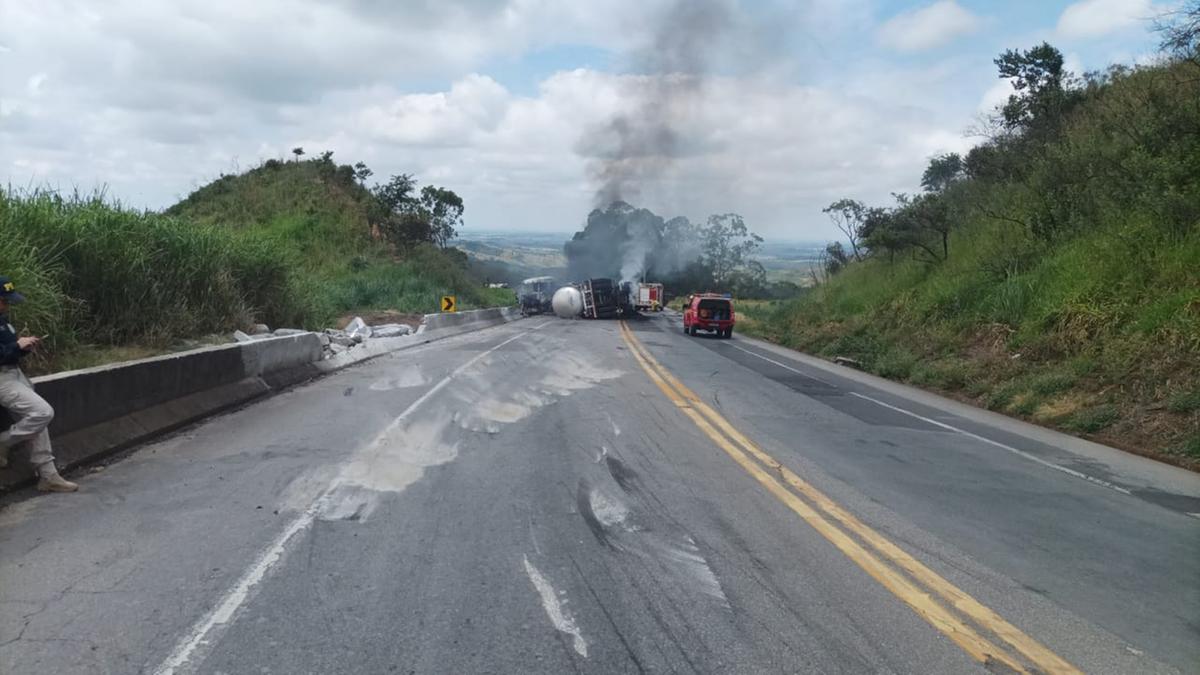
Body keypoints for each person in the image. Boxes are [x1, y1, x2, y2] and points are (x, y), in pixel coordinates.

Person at [0, 276, 78, 492]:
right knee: (42, 413)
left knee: (37, 419)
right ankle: (3, 442)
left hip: (14, 374)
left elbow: (8, 352)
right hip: (2, 379)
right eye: (3, 300)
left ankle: (48, 474)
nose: (7, 305)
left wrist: (23, 347)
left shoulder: (3, 321)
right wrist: (17, 346)